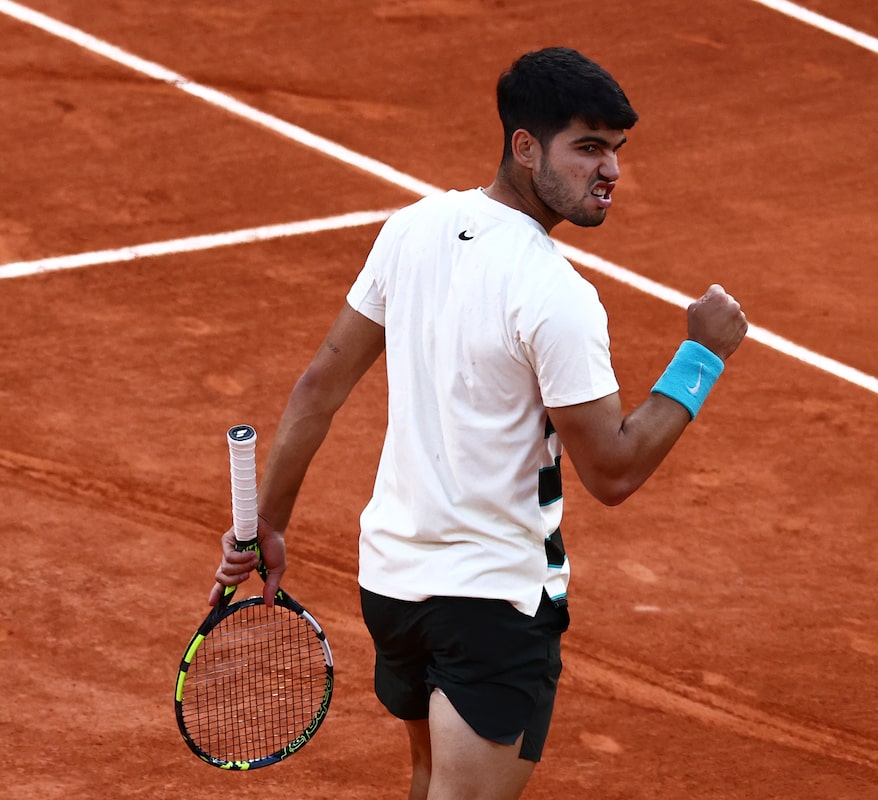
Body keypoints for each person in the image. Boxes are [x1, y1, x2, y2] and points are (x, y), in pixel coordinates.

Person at [209, 46, 748, 800]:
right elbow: (615, 470)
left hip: (394, 586)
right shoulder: (555, 294)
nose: (611, 172)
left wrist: (267, 522)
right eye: (588, 148)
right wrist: (701, 356)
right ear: (525, 148)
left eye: (616, 151)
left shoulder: (411, 228)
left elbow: (316, 390)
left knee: (432, 781)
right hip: (492, 604)